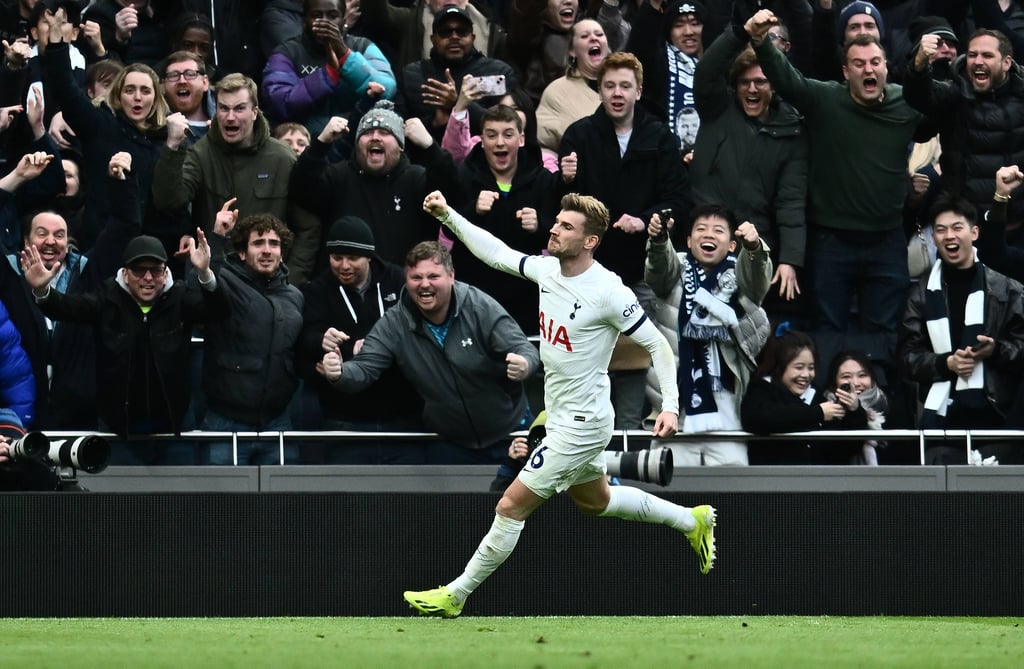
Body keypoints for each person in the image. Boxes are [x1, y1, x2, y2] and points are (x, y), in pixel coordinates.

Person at [399, 190, 715, 619]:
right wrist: (447, 214)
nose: (554, 228)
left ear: (590, 241)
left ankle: (456, 594)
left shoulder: (608, 291)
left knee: (510, 505)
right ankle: (691, 520)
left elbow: (658, 344)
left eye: (567, 226)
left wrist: (671, 405)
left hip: (582, 425)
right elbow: (497, 253)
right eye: (557, 222)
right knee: (596, 501)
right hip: (565, 415)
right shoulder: (549, 270)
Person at [745, 9, 927, 390]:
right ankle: (828, 418)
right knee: (827, 334)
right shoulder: (826, 99)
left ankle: (878, 426)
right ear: (845, 72)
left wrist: (926, 62)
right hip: (831, 242)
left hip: (886, 240)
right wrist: (762, 43)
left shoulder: (905, 103)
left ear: (886, 68)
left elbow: (943, 108)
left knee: (884, 336)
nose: (868, 69)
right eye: (858, 63)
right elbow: (788, 81)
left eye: (875, 62)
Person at [318, 240, 539, 464]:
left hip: (511, 433)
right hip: (450, 442)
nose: (424, 285)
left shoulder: (479, 307)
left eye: (433, 277)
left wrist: (525, 364)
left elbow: (523, 348)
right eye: (416, 278)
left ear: (451, 277)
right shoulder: (395, 322)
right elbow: (365, 368)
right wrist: (339, 372)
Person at [560, 51, 691, 431]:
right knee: (588, 360)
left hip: (641, 273)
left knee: (635, 361)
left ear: (638, 91)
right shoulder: (579, 135)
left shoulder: (659, 136)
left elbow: (680, 201)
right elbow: (561, 209)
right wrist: (563, 181)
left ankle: (631, 436)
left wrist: (649, 218)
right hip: (589, 276)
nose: (617, 93)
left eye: (625, 86)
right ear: (599, 90)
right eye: (610, 85)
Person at [21, 222, 224, 464]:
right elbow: (65, 308)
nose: (148, 277)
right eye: (139, 270)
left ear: (166, 272)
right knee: (121, 501)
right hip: (120, 429)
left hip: (175, 426)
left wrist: (204, 274)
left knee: (179, 500)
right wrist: (43, 290)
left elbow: (218, 312)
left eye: (156, 270)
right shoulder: (107, 299)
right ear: (125, 273)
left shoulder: (179, 297)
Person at [0, 151, 141, 431]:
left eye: (59, 235)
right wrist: (16, 177)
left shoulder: (88, 272)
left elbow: (126, 224)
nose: (51, 242)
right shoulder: (7, 274)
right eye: (41, 234)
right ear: (25, 240)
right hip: (18, 417)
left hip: (80, 418)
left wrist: (122, 179)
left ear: (69, 241)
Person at [151, 72, 321, 285]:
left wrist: (291, 280)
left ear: (254, 113)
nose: (230, 117)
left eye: (239, 108)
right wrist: (172, 147)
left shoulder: (282, 158)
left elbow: (307, 228)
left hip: (269, 282)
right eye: (224, 108)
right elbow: (168, 201)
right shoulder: (202, 153)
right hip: (216, 280)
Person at [897, 193, 1024, 465]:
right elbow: (907, 357)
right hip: (941, 421)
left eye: (957, 228)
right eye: (940, 230)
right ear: (933, 239)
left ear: (974, 233)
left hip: (997, 416)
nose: (949, 236)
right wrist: (947, 363)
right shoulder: (919, 294)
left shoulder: (1007, 289)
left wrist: (995, 350)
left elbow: (1021, 347)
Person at [690, 30, 808, 319]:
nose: (752, 89)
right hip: (703, 240)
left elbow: (791, 200)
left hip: (752, 250)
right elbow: (706, 71)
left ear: (775, 86)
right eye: (744, 82)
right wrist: (738, 32)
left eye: (761, 82)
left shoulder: (792, 129)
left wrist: (790, 259)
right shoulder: (717, 108)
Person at [645, 203, 771, 466]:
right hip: (675, 405)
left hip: (726, 403)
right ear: (689, 240)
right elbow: (658, 271)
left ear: (732, 244)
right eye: (700, 229)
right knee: (667, 488)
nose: (708, 235)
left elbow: (759, 281)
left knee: (732, 489)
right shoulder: (676, 268)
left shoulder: (741, 273)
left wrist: (755, 249)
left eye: (718, 230)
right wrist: (658, 241)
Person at [299, 215, 424, 463]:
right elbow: (305, 342)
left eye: (353, 258)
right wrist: (323, 343)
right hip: (344, 419)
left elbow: (418, 329)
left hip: (401, 417)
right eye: (337, 258)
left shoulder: (398, 282)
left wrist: (377, 348)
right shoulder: (317, 290)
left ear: (369, 256)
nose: (344, 266)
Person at [288, 100, 456, 269]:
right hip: (344, 284)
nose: (375, 137)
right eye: (367, 133)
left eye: (384, 132)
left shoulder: (416, 178)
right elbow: (302, 190)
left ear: (400, 146)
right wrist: (321, 144)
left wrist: (429, 145)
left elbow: (453, 192)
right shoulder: (338, 176)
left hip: (404, 287)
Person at [201, 207, 304, 466]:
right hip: (226, 424)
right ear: (242, 252)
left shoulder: (295, 295)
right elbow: (207, 288)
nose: (267, 250)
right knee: (221, 505)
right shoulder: (225, 280)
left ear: (282, 254)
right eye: (258, 243)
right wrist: (217, 238)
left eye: (274, 244)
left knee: (282, 506)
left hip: (278, 422)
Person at [447, 103, 561, 334]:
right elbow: (447, 230)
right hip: (476, 290)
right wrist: (473, 211)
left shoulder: (542, 179)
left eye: (507, 135)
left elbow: (559, 233)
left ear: (520, 139)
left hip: (525, 292)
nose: (500, 142)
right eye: (492, 135)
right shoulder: (465, 176)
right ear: (482, 140)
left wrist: (540, 225)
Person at [904, 28, 1024, 226]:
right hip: (965, 224)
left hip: (1017, 224)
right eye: (972, 55)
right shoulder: (954, 91)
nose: (978, 61)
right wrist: (919, 65)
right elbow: (920, 96)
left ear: (1006, 63)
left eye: (987, 55)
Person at [261, 0, 396, 143]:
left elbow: (387, 88)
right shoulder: (288, 52)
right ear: (304, 20)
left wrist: (345, 56)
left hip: (353, 143)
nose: (324, 22)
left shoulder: (363, 46)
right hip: (305, 144)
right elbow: (280, 101)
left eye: (332, 16)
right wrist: (328, 75)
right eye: (316, 15)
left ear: (344, 20)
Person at [741, 329, 869, 465]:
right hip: (772, 481)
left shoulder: (820, 398)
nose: (806, 374)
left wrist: (855, 412)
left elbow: (845, 450)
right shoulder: (762, 389)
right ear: (780, 367)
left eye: (811, 368)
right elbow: (759, 418)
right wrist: (818, 413)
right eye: (799, 367)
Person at [397, 4, 516, 142]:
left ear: (473, 37)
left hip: (483, 156)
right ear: (433, 39)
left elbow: (509, 125)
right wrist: (434, 123)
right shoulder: (410, 74)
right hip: (424, 156)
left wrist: (458, 104)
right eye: (445, 32)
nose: (454, 37)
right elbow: (400, 128)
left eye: (461, 31)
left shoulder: (498, 72)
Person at [534, 18, 609, 164]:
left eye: (599, 34)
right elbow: (542, 145)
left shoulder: (624, 86)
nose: (594, 38)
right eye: (584, 36)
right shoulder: (557, 91)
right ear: (572, 51)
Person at [359, 0, 507, 70]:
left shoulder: (491, 28)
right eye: (445, 32)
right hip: (422, 111)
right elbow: (377, 14)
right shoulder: (409, 20)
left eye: (461, 32)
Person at [824, 350, 889, 465]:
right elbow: (839, 453)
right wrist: (854, 411)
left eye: (862, 375)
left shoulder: (886, 406)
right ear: (834, 382)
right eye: (846, 376)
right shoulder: (827, 410)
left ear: (872, 378)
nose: (855, 383)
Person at [157, 50, 213, 147]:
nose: (182, 81)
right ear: (163, 85)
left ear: (205, 82)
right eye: (174, 75)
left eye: (190, 74)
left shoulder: (226, 119)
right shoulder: (155, 128)